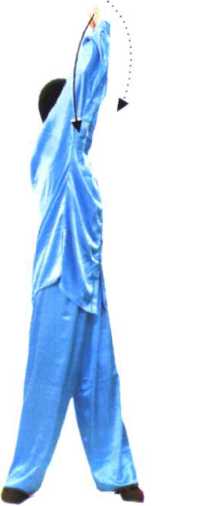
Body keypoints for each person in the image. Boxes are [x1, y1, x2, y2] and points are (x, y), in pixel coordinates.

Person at [1, 10, 144, 504]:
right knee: (46, 381)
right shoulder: (55, 151)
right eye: (73, 112)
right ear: (61, 116)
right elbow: (84, 88)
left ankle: (118, 472)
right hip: (59, 283)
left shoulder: (75, 163)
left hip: (88, 288)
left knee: (100, 382)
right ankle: (23, 476)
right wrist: (98, 32)